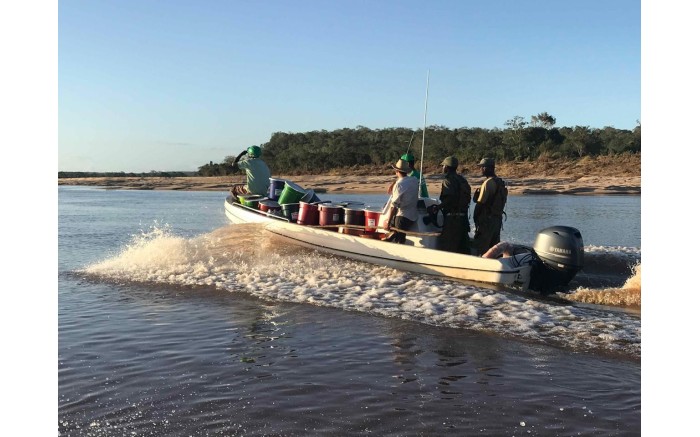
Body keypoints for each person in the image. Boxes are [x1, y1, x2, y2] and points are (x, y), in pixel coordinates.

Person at [472, 157, 508, 256]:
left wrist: (476, 220)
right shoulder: (500, 182)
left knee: (482, 248)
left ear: (487, 168)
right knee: (494, 249)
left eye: (482, 167)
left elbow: (480, 204)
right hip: (497, 220)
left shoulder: (488, 183)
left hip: (487, 221)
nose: (481, 170)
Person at [436, 156, 472, 254]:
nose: (442, 168)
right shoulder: (462, 179)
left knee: (448, 246)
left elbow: (450, 199)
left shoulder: (448, 180)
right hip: (463, 217)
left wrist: (437, 207)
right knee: (463, 245)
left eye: (443, 166)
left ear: (447, 167)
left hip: (452, 219)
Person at [383, 158, 419, 244]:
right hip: (413, 216)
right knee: (398, 234)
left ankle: (393, 237)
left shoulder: (399, 185)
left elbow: (394, 206)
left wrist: (388, 221)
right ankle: (393, 235)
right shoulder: (414, 180)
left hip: (402, 216)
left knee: (399, 239)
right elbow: (404, 181)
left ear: (396, 171)